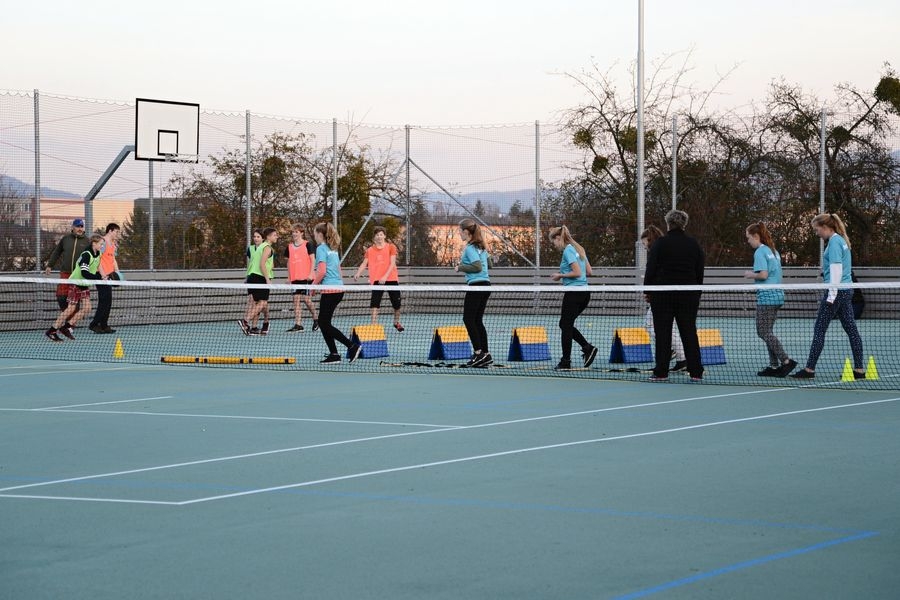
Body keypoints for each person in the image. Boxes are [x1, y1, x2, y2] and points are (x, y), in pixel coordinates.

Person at [791, 213, 865, 379]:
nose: (816, 233)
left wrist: (831, 295)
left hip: (837, 291)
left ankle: (809, 369)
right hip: (845, 291)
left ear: (825, 227)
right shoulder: (840, 241)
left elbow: (837, 269)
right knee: (851, 329)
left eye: (817, 230)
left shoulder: (834, 243)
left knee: (819, 329)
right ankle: (859, 370)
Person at [643, 209, 705, 382]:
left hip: (662, 296)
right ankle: (696, 372)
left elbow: (651, 269)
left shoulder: (660, 244)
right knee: (689, 333)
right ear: (684, 224)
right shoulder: (694, 244)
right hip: (688, 296)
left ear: (668, 223)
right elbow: (699, 271)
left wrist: (647, 291)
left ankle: (661, 372)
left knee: (663, 334)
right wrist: (696, 292)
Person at [743, 222, 797, 377]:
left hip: (767, 298)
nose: (748, 241)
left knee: (763, 332)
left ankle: (786, 361)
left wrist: (750, 274)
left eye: (748, 238)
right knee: (768, 332)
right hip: (777, 296)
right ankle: (773, 367)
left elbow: (763, 275)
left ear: (755, 236)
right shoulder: (773, 251)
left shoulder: (760, 252)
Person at [311, 222, 361, 364]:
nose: (314, 236)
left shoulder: (321, 248)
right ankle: (334, 354)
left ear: (320, 234)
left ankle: (352, 345)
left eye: (315, 233)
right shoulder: (333, 249)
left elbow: (321, 272)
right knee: (324, 322)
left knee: (324, 323)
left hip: (330, 290)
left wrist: (313, 287)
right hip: (338, 289)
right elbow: (339, 270)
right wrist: (340, 285)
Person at [549, 226, 598, 370]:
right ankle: (587, 348)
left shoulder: (568, 250)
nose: (555, 245)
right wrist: (566, 274)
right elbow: (589, 272)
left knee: (565, 325)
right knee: (565, 324)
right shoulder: (579, 249)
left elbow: (577, 272)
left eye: (554, 242)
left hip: (574, 293)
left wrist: (561, 275)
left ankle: (566, 361)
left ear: (558, 238)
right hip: (584, 293)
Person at [640, 226, 687, 372]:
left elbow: (652, 273)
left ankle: (675, 352)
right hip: (666, 295)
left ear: (650, 240)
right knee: (666, 327)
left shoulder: (658, 253)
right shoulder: (665, 251)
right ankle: (680, 358)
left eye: (645, 242)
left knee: (654, 326)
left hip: (663, 297)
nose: (644, 246)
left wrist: (648, 291)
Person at [45, 234, 103, 342]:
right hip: (76, 282)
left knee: (87, 308)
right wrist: (98, 277)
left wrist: (104, 276)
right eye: (100, 244)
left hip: (84, 284)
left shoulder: (98, 253)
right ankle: (52, 331)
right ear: (94, 244)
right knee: (71, 309)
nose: (102, 246)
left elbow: (98, 266)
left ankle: (66, 327)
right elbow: (85, 273)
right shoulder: (86, 255)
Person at [454, 218, 492, 367]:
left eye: (460, 232)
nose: (459, 234)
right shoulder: (481, 247)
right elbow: (489, 264)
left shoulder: (470, 248)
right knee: (477, 321)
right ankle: (486, 354)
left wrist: (460, 267)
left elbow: (477, 267)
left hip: (476, 286)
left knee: (468, 319)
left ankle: (478, 353)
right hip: (485, 286)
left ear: (466, 232)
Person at [354, 226, 404, 332]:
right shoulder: (369, 250)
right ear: (374, 237)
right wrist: (358, 273)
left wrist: (385, 277)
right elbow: (364, 263)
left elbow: (392, 263)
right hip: (377, 280)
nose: (379, 237)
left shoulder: (391, 247)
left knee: (397, 304)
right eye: (377, 235)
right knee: (375, 303)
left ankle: (396, 322)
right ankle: (373, 325)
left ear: (384, 236)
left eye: (381, 234)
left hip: (391, 278)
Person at [44, 218, 90, 311]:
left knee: (75, 298)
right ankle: (66, 316)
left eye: (81, 226)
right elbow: (57, 252)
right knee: (61, 296)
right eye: (78, 226)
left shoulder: (87, 241)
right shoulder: (66, 239)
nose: (80, 228)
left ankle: (70, 323)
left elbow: (93, 257)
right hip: (65, 273)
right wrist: (50, 265)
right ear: (73, 227)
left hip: (79, 275)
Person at [239, 228, 277, 336]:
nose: (276, 237)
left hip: (259, 277)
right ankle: (246, 321)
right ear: (268, 237)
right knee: (262, 302)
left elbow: (270, 264)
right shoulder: (266, 248)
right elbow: (261, 264)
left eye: (258, 236)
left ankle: (263, 323)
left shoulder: (264, 247)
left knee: (262, 303)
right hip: (258, 277)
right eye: (274, 235)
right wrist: (267, 279)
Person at [284, 224, 318, 332]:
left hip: (306, 277)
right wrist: (289, 277)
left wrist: (311, 274)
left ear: (301, 233)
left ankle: (316, 319)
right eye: (293, 232)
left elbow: (313, 260)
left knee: (306, 300)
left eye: (296, 232)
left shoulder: (308, 245)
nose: (294, 234)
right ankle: (298, 324)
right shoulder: (289, 247)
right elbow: (289, 263)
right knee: (296, 300)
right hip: (295, 278)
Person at [89, 223, 120, 334]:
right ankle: (94, 324)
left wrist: (117, 273)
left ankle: (104, 325)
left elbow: (113, 260)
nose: (118, 234)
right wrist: (103, 275)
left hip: (109, 276)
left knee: (108, 301)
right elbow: (97, 260)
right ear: (110, 231)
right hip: (101, 276)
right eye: (116, 232)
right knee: (103, 300)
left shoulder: (113, 244)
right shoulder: (102, 242)